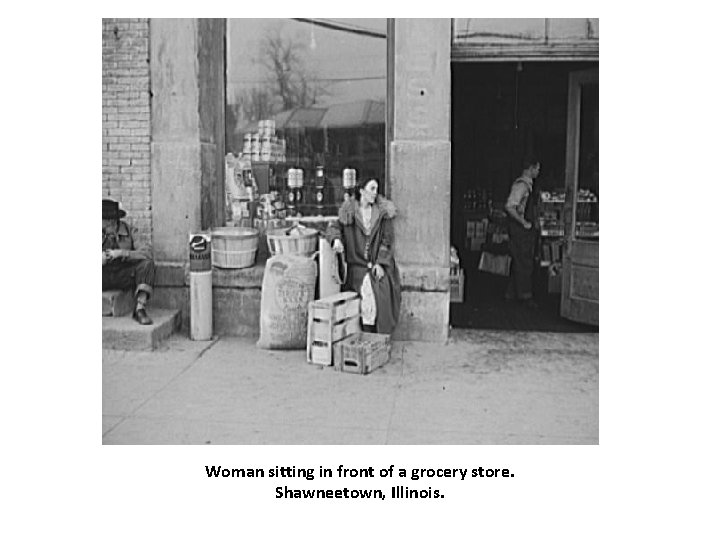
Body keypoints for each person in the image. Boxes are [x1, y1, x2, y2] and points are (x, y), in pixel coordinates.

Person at [328, 178, 401, 334]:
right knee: (366, 291)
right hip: (358, 267)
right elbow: (334, 227)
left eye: (377, 189)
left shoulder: (382, 214)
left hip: (379, 266)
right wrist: (335, 240)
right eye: (372, 188)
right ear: (362, 191)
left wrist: (381, 263)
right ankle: (368, 335)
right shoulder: (348, 212)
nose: (375, 193)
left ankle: (376, 336)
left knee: (380, 296)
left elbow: (387, 241)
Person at [102, 198, 156, 325]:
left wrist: (121, 253)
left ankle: (140, 309)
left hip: (124, 275)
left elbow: (146, 253)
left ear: (110, 221)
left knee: (147, 265)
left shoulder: (130, 231)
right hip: (103, 275)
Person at [504, 158, 541, 309]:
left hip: (524, 231)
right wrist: (523, 222)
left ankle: (511, 294)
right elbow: (510, 206)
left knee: (520, 261)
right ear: (530, 168)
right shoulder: (522, 186)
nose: (538, 172)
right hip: (520, 231)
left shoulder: (529, 187)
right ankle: (525, 296)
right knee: (524, 262)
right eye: (537, 168)